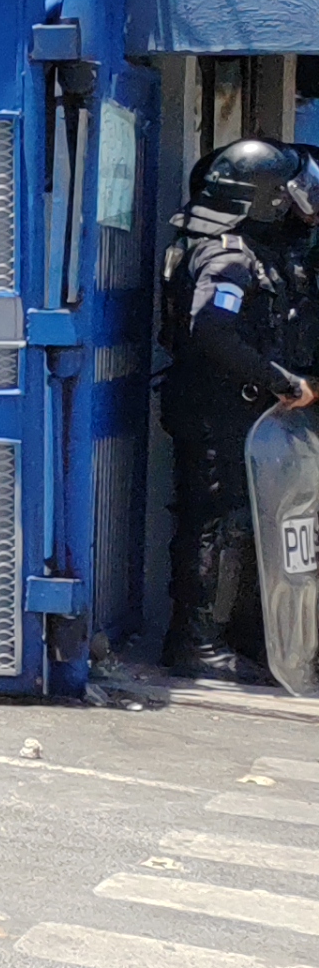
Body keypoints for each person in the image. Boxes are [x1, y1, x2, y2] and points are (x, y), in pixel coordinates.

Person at [161, 139, 319, 683]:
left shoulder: (257, 248)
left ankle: (249, 636)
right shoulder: (227, 255)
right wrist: (281, 381)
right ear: (267, 199)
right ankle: (197, 642)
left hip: (249, 414)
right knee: (215, 524)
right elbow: (212, 330)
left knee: (252, 526)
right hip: (218, 411)